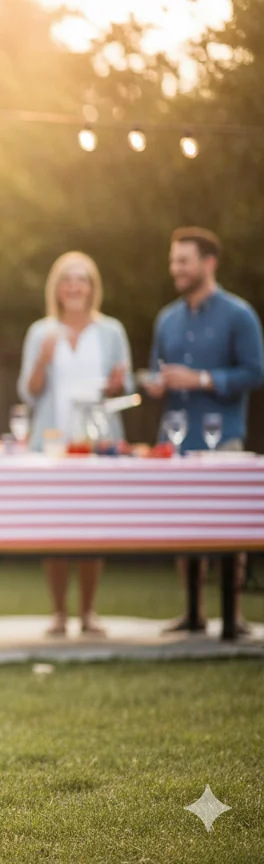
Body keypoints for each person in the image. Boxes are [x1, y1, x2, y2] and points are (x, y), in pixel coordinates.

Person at [145, 227, 264, 634]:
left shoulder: (239, 315)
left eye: (183, 260)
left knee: (229, 524)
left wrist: (202, 380)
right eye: (173, 260)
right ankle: (193, 611)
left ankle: (234, 615)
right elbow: (156, 370)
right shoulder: (167, 319)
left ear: (208, 263)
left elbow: (255, 371)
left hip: (223, 436)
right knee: (182, 526)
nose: (175, 268)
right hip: (176, 439)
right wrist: (155, 384)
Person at [17, 251, 133, 637]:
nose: (74, 285)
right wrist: (42, 362)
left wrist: (118, 385)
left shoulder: (112, 331)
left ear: (92, 286)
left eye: (81, 278)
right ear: (57, 287)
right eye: (67, 278)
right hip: (54, 443)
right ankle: (59, 614)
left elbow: (125, 389)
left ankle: (88, 612)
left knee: (93, 526)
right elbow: (29, 394)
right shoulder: (41, 332)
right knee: (55, 526)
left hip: (97, 444)